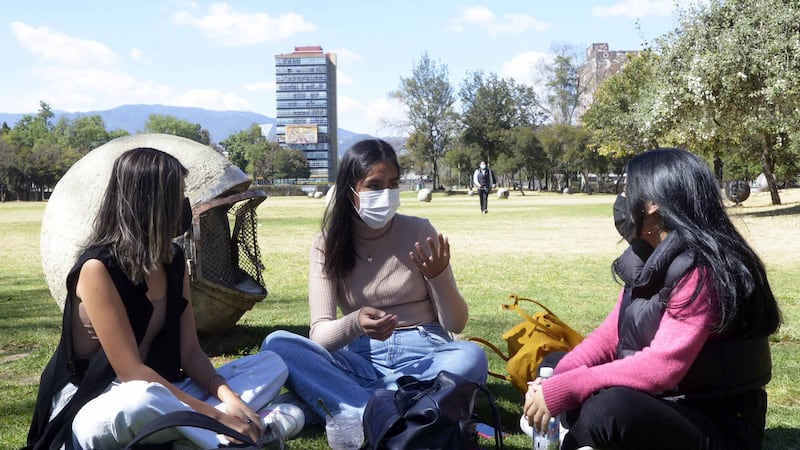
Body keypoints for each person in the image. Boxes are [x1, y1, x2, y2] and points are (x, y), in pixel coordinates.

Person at [25, 148, 289, 450]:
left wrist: (229, 398)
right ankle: (231, 437)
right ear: (150, 203)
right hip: (99, 401)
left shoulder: (173, 260)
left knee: (272, 364)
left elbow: (190, 353)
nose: (186, 206)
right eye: (178, 195)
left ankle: (194, 435)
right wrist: (216, 415)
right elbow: (131, 372)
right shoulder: (97, 269)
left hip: (166, 390)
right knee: (143, 400)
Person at [523, 148, 782, 450]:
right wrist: (557, 380)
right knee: (555, 365)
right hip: (672, 402)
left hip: (718, 422)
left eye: (628, 190)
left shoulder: (704, 269)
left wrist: (568, 388)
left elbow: (663, 367)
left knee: (608, 409)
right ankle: (577, 433)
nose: (622, 200)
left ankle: (579, 434)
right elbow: (609, 338)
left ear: (655, 203)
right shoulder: (649, 257)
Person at [261, 138, 488, 431]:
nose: (387, 194)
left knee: (470, 357)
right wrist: (354, 322)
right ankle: (394, 409)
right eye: (374, 185)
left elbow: (456, 324)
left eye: (393, 184)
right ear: (350, 190)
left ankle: (352, 406)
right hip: (358, 359)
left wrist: (439, 276)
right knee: (278, 344)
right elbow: (319, 335)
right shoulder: (327, 244)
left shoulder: (420, 230)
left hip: (426, 354)